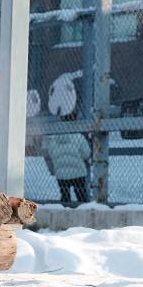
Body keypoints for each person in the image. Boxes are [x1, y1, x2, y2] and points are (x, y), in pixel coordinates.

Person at [43, 72, 91, 203]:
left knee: (64, 196)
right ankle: (83, 210)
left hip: (61, 174)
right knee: (81, 196)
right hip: (78, 173)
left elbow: (51, 153)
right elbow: (86, 153)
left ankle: (64, 208)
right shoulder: (78, 137)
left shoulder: (53, 138)